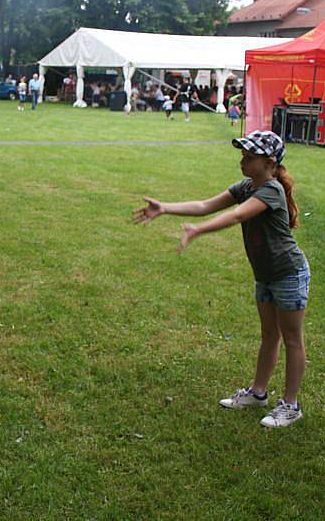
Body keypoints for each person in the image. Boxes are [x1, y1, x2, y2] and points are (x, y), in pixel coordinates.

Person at [134, 131, 309, 428]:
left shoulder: (271, 191)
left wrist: (198, 231)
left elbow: (238, 216)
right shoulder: (247, 186)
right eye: (242, 154)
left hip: (288, 273)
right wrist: (165, 208)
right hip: (265, 275)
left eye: (249, 157)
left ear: (269, 163)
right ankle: (258, 393)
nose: (242, 160)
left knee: (291, 338)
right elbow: (204, 205)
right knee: (269, 335)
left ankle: (291, 406)